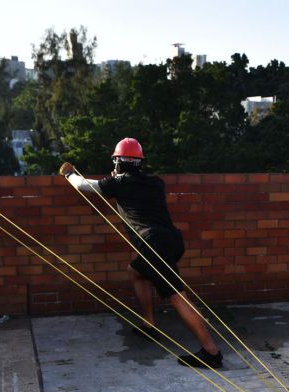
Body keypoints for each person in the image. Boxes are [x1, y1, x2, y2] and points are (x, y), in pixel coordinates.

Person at [58, 138, 223, 369]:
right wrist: (117, 180)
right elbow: (134, 191)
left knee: (177, 297)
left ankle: (211, 352)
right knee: (135, 271)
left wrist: (69, 174)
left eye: (115, 161)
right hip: (172, 241)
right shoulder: (156, 183)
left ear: (119, 162)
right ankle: (149, 325)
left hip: (154, 246)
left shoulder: (119, 184)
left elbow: (83, 186)